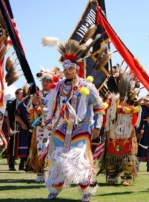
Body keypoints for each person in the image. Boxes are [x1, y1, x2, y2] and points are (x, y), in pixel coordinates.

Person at [45, 39, 105, 201]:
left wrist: (98, 125)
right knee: (57, 156)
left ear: (76, 69)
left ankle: (87, 191)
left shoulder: (86, 86)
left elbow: (99, 107)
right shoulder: (58, 87)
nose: (66, 71)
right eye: (65, 68)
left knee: (78, 157)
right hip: (63, 126)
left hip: (82, 127)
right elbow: (51, 106)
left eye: (70, 68)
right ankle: (55, 188)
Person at [98, 68, 141, 186]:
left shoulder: (131, 96)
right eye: (118, 79)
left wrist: (122, 109)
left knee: (127, 153)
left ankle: (127, 176)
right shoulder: (111, 97)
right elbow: (105, 107)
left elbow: (137, 109)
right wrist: (108, 106)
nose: (120, 82)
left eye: (122, 79)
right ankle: (112, 174)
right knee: (111, 152)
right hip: (113, 130)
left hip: (127, 131)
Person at [26, 69, 60, 183]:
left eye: (47, 81)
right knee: (39, 149)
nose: (45, 83)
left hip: (53, 126)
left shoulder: (56, 94)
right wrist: (35, 104)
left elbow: (58, 109)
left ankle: (53, 173)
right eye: (43, 81)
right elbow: (29, 110)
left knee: (53, 150)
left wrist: (43, 110)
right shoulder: (36, 94)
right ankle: (40, 172)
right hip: (40, 127)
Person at [5, 88, 24, 171]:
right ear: (16, 95)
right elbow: (7, 117)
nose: (22, 95)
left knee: (24, 144)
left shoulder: (26, 103)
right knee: (12, 145)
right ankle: (11, 165)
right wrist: (9, 129)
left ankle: (22, 164)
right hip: (14, 126)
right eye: (20, 93)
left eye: (23, 93)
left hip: (24, 127)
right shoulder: (11, 104)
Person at [136, 94, 149, 172]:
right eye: (146, 101)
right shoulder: (140, 109)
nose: (148, 103)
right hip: (141, 130)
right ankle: (136, 165)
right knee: (139, 149)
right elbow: (137, 121)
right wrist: (138, 131)